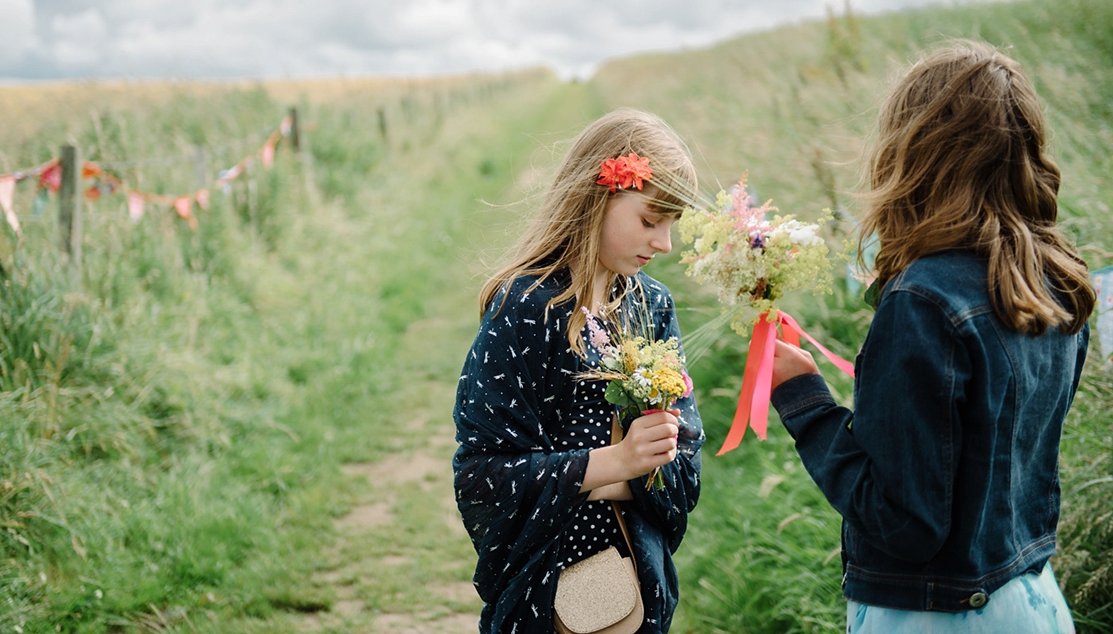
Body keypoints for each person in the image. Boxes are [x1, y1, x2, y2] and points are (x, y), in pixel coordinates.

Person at [769, 41, 1095, 632]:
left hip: (937, 617)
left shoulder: (923, 301)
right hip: (1035, 603)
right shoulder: (1058, 281)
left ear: (914, 153)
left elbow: (903, 523)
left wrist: (804, 400)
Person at [453, 108, 705, 634]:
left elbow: (684, 470)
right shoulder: (526, 308)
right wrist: (619, 464)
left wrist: (609, 475)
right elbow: (482, 477)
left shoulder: (650, 306)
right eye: (649, 220)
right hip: (544, 598)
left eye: (671, 225)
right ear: (599, 197)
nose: (664, 244)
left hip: (640, 589)